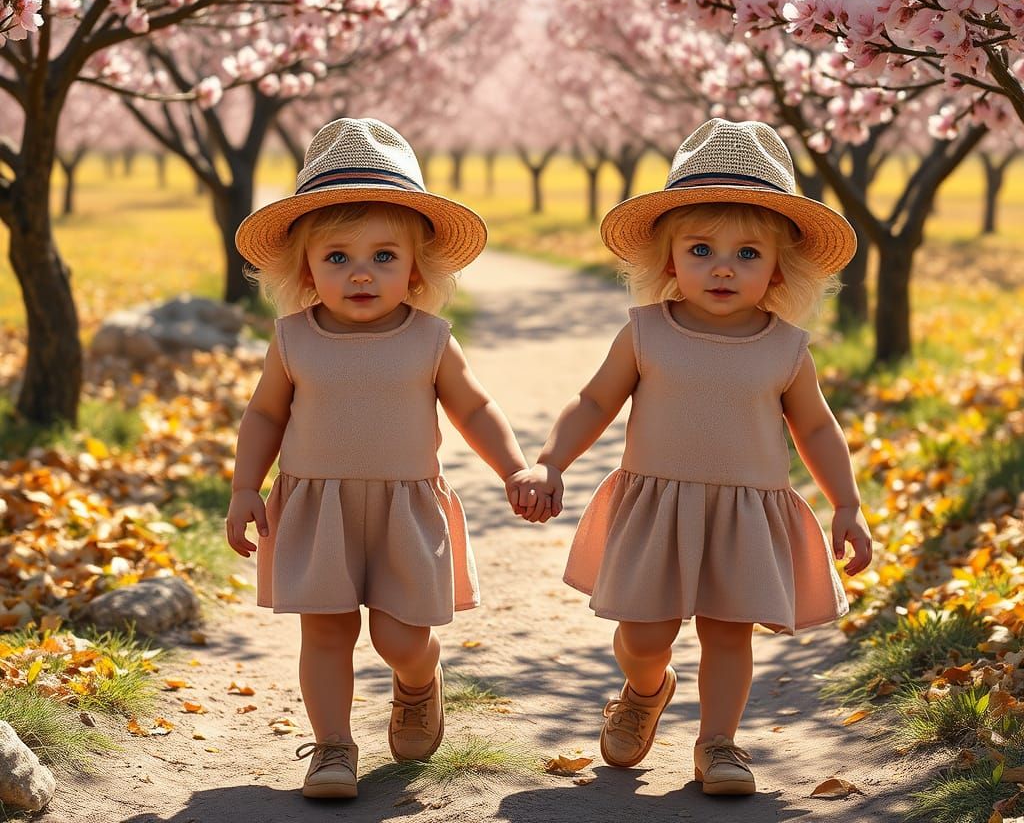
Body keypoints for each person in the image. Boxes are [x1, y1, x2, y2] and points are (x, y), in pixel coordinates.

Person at [524, 118, 873, 796]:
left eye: (748, 253)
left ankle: (719, 744)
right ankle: (644, 686)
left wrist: (847, 503)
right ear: (668, 259)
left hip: (743, 511)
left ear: (780, 267)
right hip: (660, 506)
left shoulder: (785, 348)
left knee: (728, 633)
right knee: (645, 634)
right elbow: (594, 403)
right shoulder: (647, 332)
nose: (722, 266)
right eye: (701, 248)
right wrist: (550, 461)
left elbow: (819, 431)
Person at [226, 118, 537, 801]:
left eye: (383, 257)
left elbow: (475, 408)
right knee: (328, 633)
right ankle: (333, 748)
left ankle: (418, 680)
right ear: (303, 268)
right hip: (318, 507)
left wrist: (513, 467)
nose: (360, 273)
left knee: (400, 637)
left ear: (417, 266)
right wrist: (246, 485)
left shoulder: (429, 339)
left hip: (403, 508)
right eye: (336, 258)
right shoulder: (294, 340)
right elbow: (265, 415)